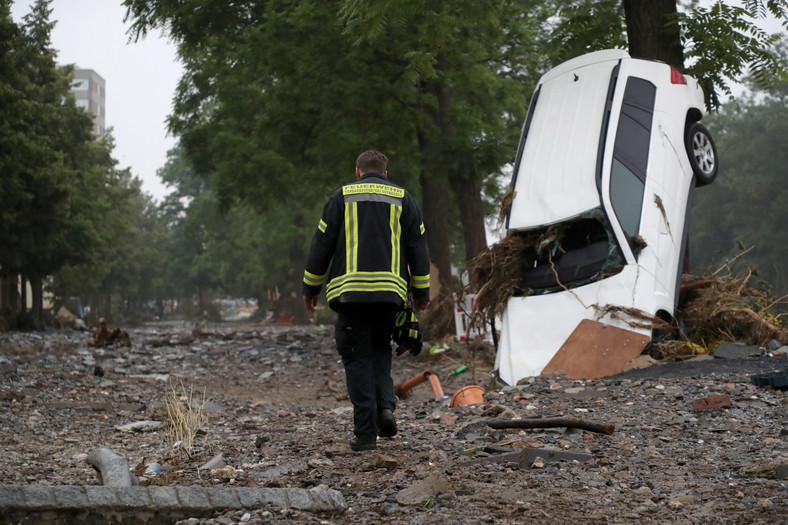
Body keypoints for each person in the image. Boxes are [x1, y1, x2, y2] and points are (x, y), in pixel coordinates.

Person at [303, 150, 431, 452]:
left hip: (351, 297)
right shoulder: (403, 198)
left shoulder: (341, 197)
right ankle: (386, 407)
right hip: (390, 295)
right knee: (379, 354)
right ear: (384, 174)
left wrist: (310, 287)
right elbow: (419, 246)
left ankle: (365, 434)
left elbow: (321, 244)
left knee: (357, 359)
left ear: (358, 172)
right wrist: (422, 293)